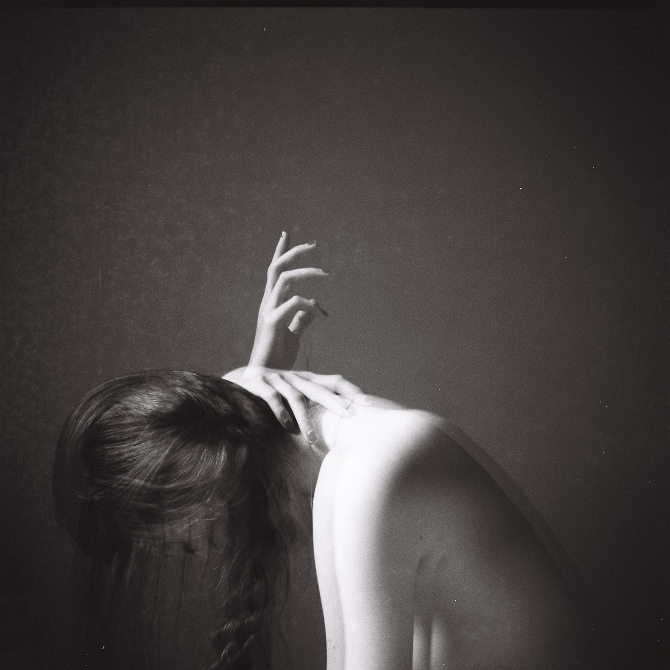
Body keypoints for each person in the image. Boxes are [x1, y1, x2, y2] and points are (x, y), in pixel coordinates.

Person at [53, 233, 599, 670]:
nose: (211, 551)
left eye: (190, 543)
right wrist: (248, 382)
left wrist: (244, 388)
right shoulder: (353, 463)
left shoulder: (374, 469)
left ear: (186, 476)